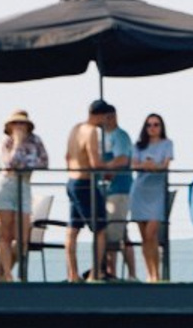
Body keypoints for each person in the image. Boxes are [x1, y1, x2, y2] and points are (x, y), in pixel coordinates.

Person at [0, 109, 49, 281]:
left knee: (22, 236)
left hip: (24, 185)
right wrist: (17, 143)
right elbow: (10, 163)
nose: (19, 126)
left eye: (22, 123)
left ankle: (5, 272)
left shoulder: (36, 141)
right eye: (16, 123)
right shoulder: (6, 142)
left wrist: (24, 163)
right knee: (4, 235)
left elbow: (43, 162)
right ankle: (7, 274)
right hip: (6, 185)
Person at [64, 99, 109, 282]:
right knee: (101, 228)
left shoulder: (76, 128)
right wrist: (109, 168)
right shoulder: (91, 132)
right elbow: (94, 162)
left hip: (71, 182)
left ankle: (73, 274)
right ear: (101, 115)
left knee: (73, 229)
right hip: (84, 183)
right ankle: (95, 273)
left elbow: (67, 156)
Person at [129, 113, 173, 283]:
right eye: (149, 125)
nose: (152, 128)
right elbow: (134, 165)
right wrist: (145, 166)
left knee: (151, 233)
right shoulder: (138, 146)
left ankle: (156, 273)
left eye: (156, 125)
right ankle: (150, 273)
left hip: (157, 192)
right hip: (140, 191)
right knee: (144, 237)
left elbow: (165, 165)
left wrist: (154, 167)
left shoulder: (167, 144)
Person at [99, 104, 137, 280]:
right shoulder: (103, 137)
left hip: (119, 190)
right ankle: (127, 273)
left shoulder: (120, 136)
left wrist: (101, 167)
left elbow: (122, 159)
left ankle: (113, 273)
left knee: (114, 234)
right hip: (108, 191)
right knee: (121, 232)